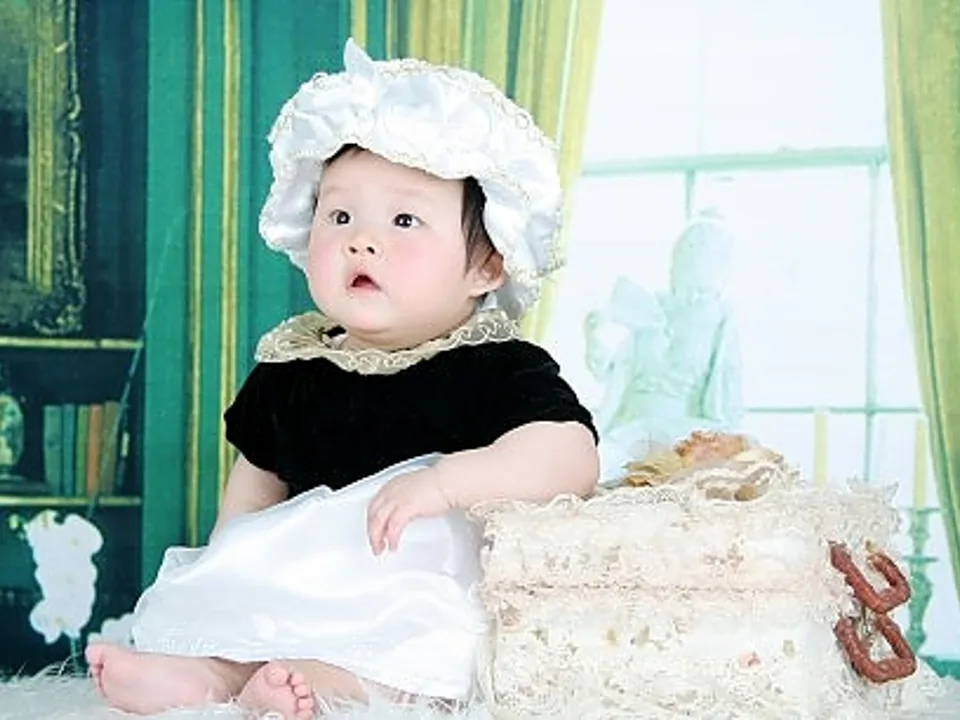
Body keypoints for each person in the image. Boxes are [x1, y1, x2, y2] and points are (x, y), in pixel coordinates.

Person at [84, 38, 599, 719]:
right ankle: (209, 673)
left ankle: (311, 685)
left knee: (423, 654)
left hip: (411, 586)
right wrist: (229, 565)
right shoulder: (294, 365)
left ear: (487, 265)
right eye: (340, 215)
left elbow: (570, 456)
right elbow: (256, 483)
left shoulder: (494, 367)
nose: (362, 240)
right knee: (236, 611)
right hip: (296, 582)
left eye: (405, 220)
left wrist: (448, 483)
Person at [583, 211, 744, 483]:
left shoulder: (719, 319)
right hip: (626, 428)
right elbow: (614, 371)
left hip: (682, 433)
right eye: (689, 247)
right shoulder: (649, 306)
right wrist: (593, 338)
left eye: (704, 249)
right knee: (593, 473)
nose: (694, 256)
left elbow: (727, 396)